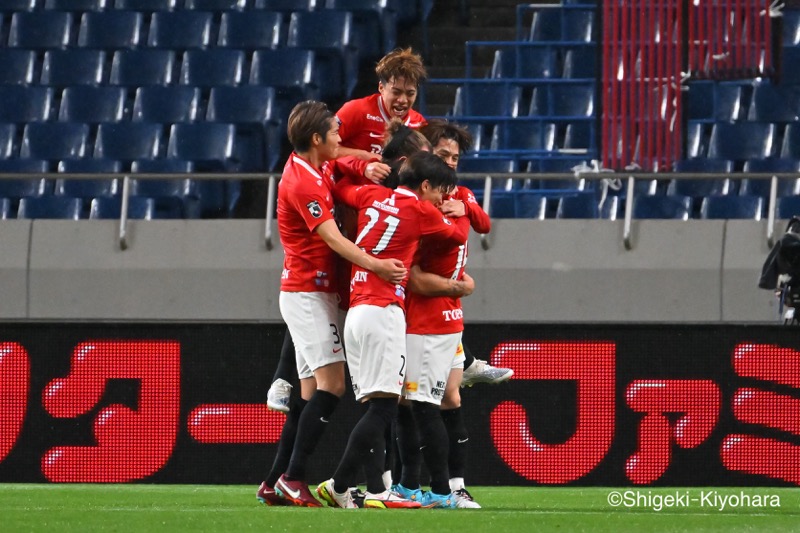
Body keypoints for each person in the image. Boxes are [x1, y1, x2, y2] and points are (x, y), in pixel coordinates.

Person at [256, 100, 406, 507]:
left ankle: (274, 482)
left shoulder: (311, 162)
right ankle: (293, 477)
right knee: (334, 386)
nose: (342, 139)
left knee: (308, 395)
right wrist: (376, 265)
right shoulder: (302, 182)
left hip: (313, 292)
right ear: (317, 138)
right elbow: (334, 239)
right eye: (335, 133)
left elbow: (343, 156)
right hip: (309, 294)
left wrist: (368, 161)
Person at [316, 151, 467, 509]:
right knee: (384, 410)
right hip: (384, 312)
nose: (443, 199)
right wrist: (465, 211)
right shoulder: (422, 210)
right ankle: (341, 486)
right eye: (440, 191)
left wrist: (361, 165)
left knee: (375, 407)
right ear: (425, 185)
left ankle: (360, 490)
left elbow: (341, 189)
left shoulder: (371, 194)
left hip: (356, 312)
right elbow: (457, 237)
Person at [335, 47, 428, 163]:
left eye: (410, 93)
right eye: (396, 92)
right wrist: (364, 156)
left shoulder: (419, 123)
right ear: (381, 88)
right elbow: (322, 149)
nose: (402, 100)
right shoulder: (356, 110)